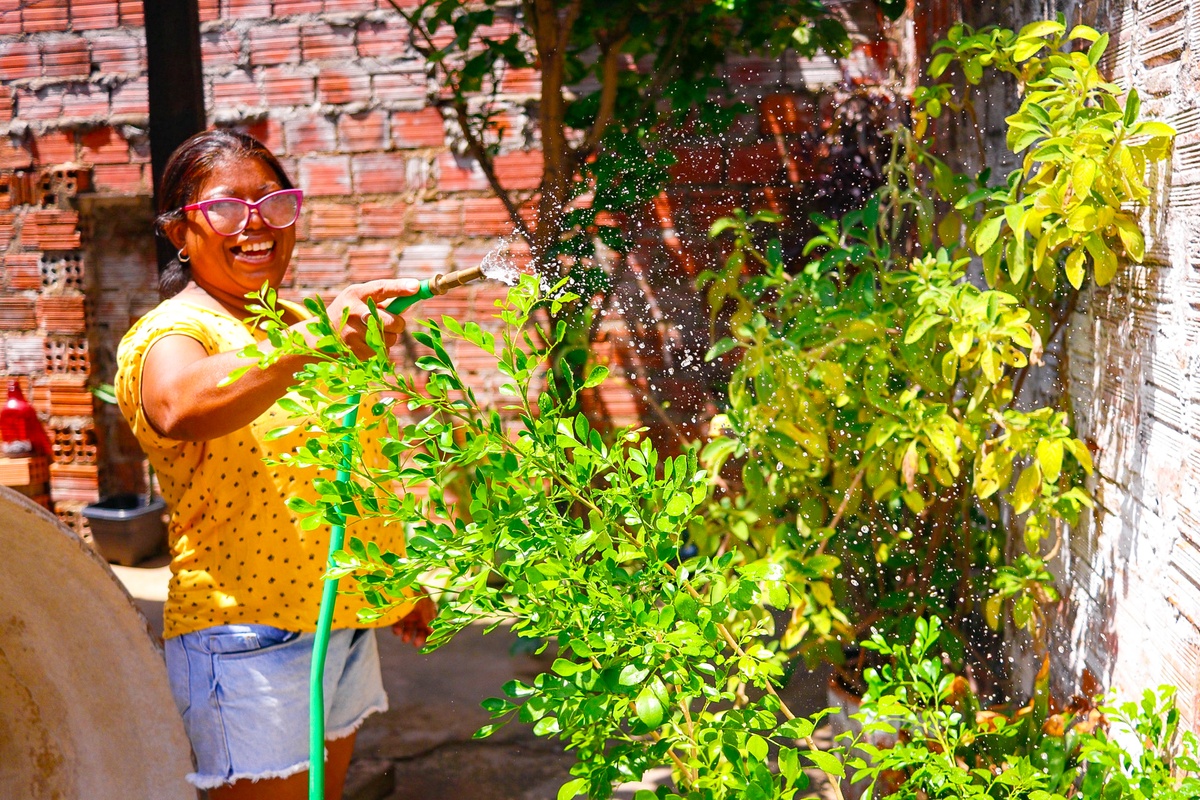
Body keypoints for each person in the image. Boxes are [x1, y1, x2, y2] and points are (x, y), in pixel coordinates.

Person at [114, 129, 435, 800]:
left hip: (336, 619)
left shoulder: (291, 318)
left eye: (274, 203)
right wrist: (313, 339)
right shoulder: (175, 333)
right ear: (180, 232)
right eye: (227, 207)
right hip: (246, 634)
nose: (255, 225)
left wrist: (391, 580)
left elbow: (353, 460)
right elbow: (181, 404)